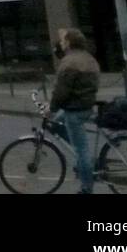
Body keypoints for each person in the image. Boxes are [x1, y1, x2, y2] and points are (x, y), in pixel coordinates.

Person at [48, 28, 100, 194]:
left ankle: (86, 188)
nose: (61, 44)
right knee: (55, 123)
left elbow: (62, 91)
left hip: (74, 109)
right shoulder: (88, 58)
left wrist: (51, 108)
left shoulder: (69, 62)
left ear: (69, 43)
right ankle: (84, 163)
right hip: (86, 105)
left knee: (81, 150)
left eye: (63, 41)